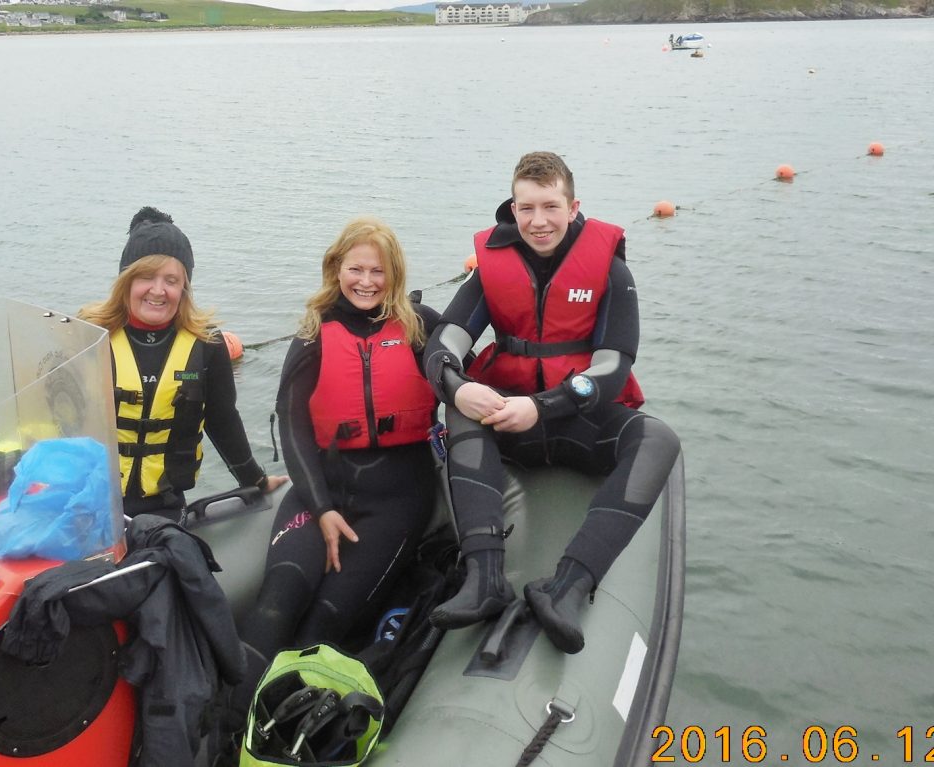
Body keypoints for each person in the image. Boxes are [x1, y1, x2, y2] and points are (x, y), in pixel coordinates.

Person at [423, 152, 681, 653]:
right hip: (510, 421)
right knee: (462, 407)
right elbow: (444, 343)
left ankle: (567, 587)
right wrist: (457, 386)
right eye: (525, 208)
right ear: (512, 209)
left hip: (574, 418)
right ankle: (484, 576)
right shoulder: (492, 268)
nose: (537, 221)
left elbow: (613, 367)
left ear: (572, 205)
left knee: (659, 439)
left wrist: (543, 406)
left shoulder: (610, 269)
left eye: (549, 206)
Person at [237, 216, 441, 690]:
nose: (366, 282)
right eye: (356, 269)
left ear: (395, 274)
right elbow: (292, 422)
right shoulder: (314, 331)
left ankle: (281, 729)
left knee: (324, 620)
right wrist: (323, 508)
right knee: (278, 600)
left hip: (396, 500)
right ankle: (224, 725)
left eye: (378, 271)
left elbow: (468, 381)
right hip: (320, 493)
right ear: (336, 268)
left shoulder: (421, 328)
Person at [79, 206, 287, 518]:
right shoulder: (89, 337)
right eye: (146, 277)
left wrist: (255, 481)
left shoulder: (207, 346)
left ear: (184, 287)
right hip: (91, 504)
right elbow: (57, 417)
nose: (158, 290)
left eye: (171, 280)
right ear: (125, 281)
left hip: (163, 508)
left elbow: (223, 421)